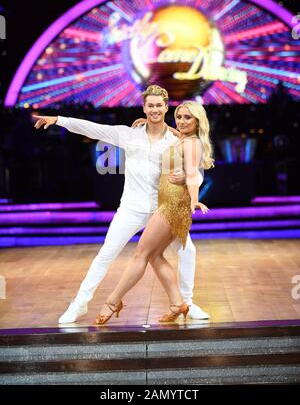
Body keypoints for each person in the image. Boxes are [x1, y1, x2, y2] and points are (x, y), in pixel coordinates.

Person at [33, 85, 210, 323]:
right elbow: (93, 128)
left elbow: (196, 173)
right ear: (144, 107)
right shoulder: (129, 133)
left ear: (166, 108)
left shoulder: (177, 138)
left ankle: (186, 302)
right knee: (106, 254)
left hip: (163, 208)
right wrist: (58, 119)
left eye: (160, 105)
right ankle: (80, 304)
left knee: (188, 250)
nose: (155, 109)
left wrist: (189, 179)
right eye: (151, 105)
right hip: (131, 207)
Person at [94, 99, 213, 325]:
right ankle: (178, 303)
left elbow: (193, 176)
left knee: (141, 254)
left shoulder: (192, 143)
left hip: (173, 205)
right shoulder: (182, 138)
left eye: (188, 117)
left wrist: (195, 200)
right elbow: (173, 133)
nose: (181, 121)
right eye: (179, 117)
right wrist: (150, 123)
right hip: (167, 203)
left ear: (198, 121)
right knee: (155, 256)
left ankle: (112, 301)